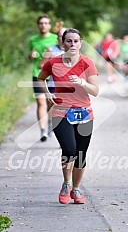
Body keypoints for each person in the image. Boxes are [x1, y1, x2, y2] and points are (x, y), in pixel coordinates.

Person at [37, 28, 99, 204]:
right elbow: (41, 78)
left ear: (81, 43)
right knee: (69, 149)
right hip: (61, 112)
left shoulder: (87, 63)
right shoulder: (53, 62)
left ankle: (77, 190)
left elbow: (95, 91)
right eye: (69, 41)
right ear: (63, 43)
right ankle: (67, 184)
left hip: (84, 113)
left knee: (81, 154)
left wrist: (82, 82)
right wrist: (48, 93)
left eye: (76, 41)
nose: (72, 44)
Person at [29, 14, 58, 142]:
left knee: (50, 102)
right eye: (41, 23)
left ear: (49, 25)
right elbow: (30, 57)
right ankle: (43, 131)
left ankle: (51, 124)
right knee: (40, 102)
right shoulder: (33, 40)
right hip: (38, 74)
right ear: (38, 25)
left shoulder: (56, 38)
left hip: (52, 75)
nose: (43, 25)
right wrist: (31, 55)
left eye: (46, 23)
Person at [38, 22, 67, 137]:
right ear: (57, 37)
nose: (62, 38)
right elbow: (41, 66)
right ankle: (50, 123)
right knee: (52, 106)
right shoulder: (51, 49)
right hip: (52, 84)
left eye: (64, 35)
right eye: (60, 35)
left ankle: (63, 133)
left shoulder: (72, 50)